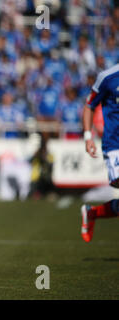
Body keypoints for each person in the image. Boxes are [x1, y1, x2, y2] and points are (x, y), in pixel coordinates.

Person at [80, 63, 119, 243]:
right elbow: (89, 105)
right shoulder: (108, 77)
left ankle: (92, 213)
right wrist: (88, 137)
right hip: (115, 145)